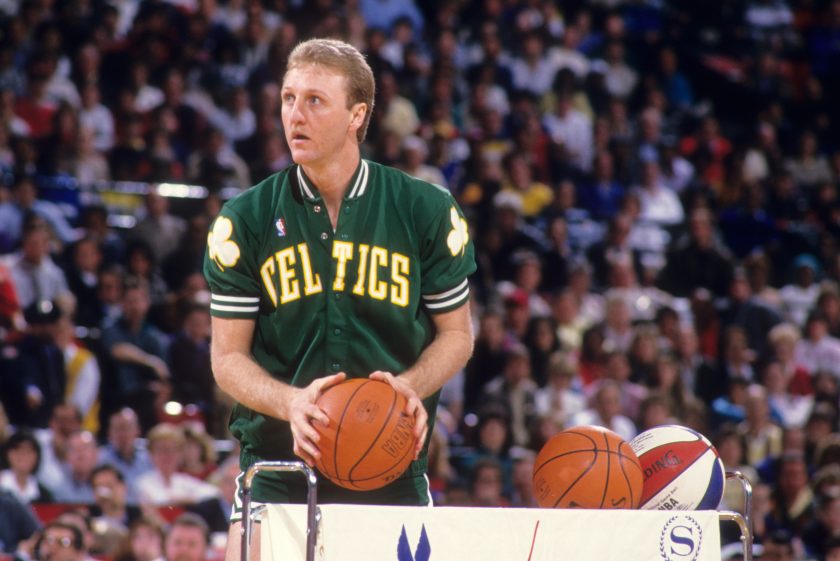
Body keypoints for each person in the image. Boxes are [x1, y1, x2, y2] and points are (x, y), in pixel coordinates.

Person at [203, 38, 475, 560]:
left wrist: (409, 388)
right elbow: (226, 357)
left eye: (314, 101)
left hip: (390, 462)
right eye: (287, 98)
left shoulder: (425, 209)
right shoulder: (245, 219)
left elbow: (457, 335)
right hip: (278, 467)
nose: (294, 115)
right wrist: (291, 402)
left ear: (357, 115)